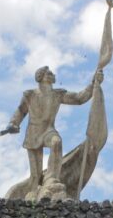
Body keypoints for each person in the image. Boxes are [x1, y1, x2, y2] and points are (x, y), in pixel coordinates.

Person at [7, 66, 103, 196]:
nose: (52, 75)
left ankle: (51, 178)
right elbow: (20, 111)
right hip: (33, 134)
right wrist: (13, 123)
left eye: (52, 73)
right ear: (41, 77)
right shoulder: (30, 95)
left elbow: (79, 98)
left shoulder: (58, 95)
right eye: (49, 73)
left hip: (48, 130)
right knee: (35, 178)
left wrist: (93, 84)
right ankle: (32, 194)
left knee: (56, 142)